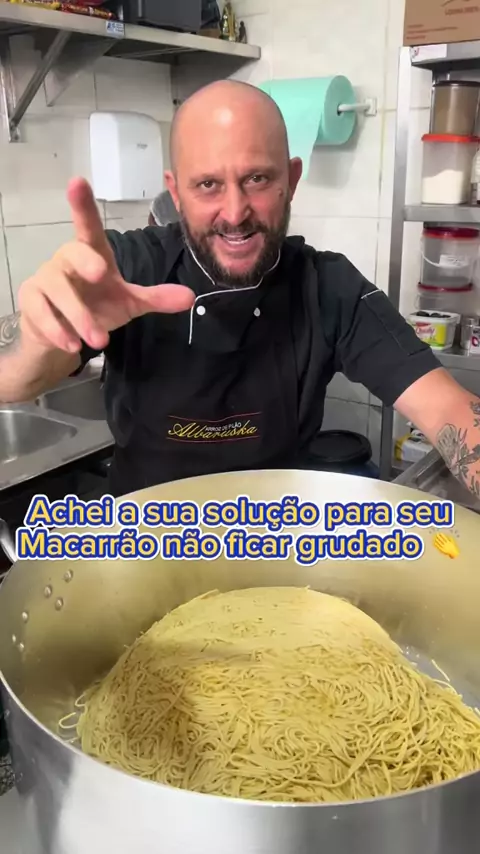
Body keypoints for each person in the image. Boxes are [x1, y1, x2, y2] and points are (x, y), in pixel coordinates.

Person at [0, 79, 479, 499]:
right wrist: (40, 340)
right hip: (139, 550)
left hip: (271, 548)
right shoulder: (126, 268)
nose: (234, 213)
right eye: (208, 184)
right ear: (176, 192)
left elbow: (449, 411)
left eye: (257, 178)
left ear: (291, 180)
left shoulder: (330, 288)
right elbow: (15, 382)